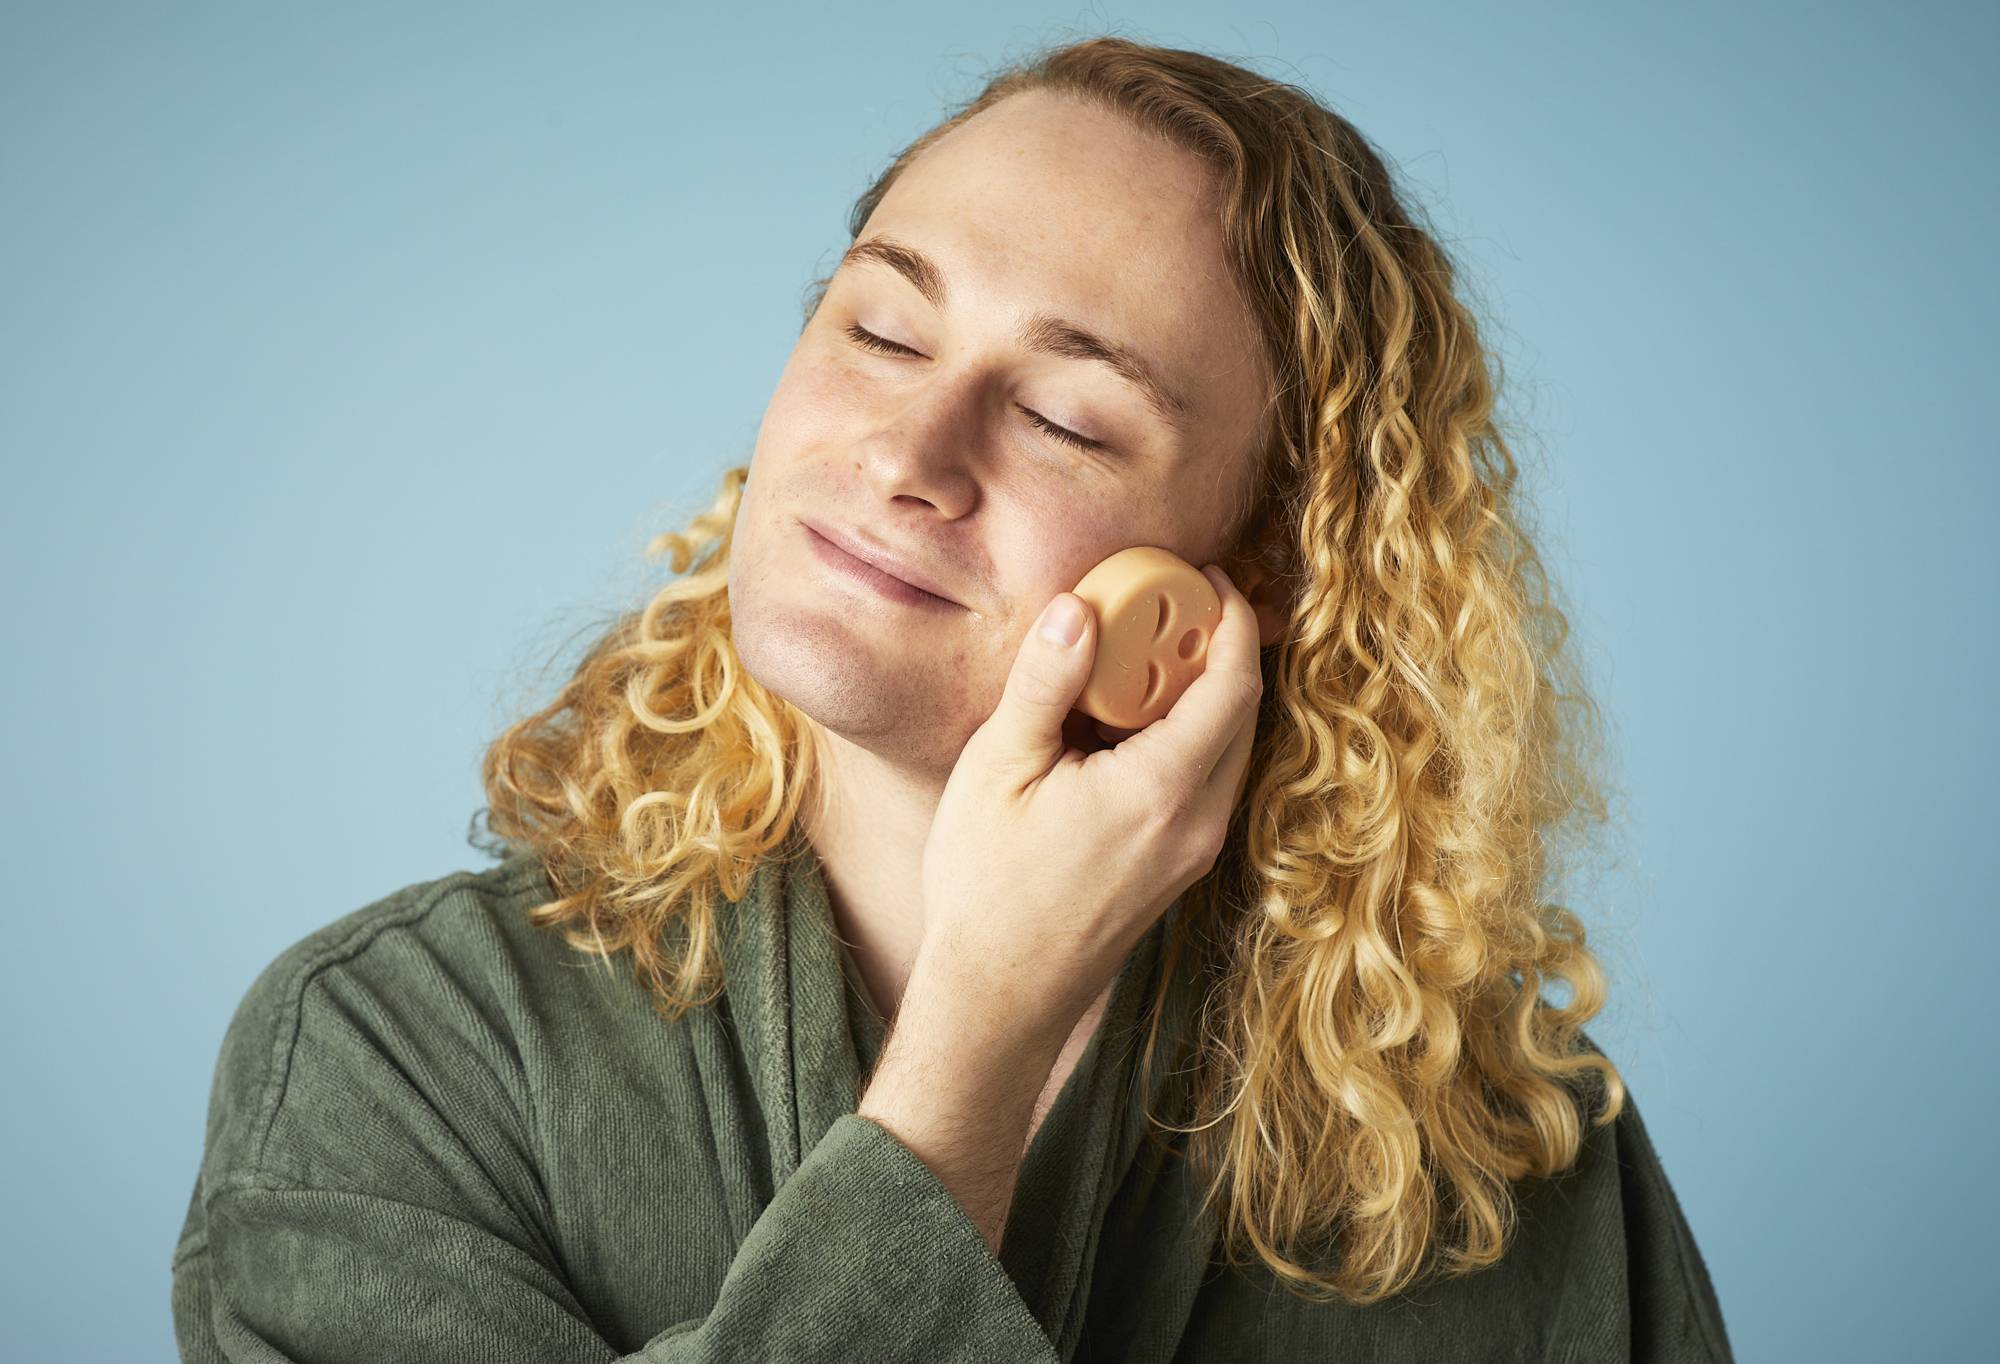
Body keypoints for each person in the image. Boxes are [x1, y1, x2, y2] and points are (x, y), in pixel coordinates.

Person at [171, 34, 1734, 1363]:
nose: (907, 455)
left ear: (1245, 577)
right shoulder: (394, 1055)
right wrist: (976, 1046)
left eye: (1065, 418)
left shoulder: (1501, 1149)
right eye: (882, 328)